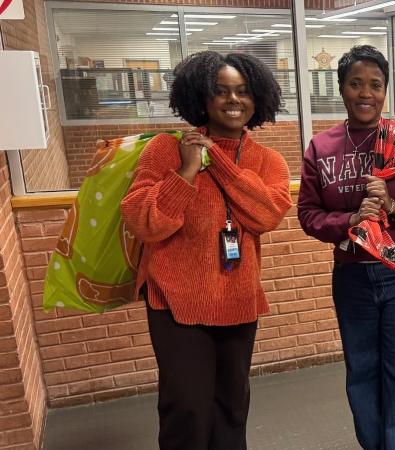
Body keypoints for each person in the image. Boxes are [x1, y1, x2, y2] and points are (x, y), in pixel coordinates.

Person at [120, 51, 292, 450]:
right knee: (187, 409)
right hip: (176, 303)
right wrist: (186, 171)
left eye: (243, 91)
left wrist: (215, 161)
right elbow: (145, 222)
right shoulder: (166, 149)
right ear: (201, 97)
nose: (233, 100)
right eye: (221, 92)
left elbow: (265, 215)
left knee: (232, 408)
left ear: (257, 98)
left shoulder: (268, 161)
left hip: (238, 299)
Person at [297, 45, 395, 449]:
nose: (365, 93)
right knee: (362, 378)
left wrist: (393, 205)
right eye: (355, 84)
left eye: (375, 85)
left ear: (386, 90)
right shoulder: (321, 148)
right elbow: (309, 214)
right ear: (341, 88)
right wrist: (350, 221)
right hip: (352, 277)